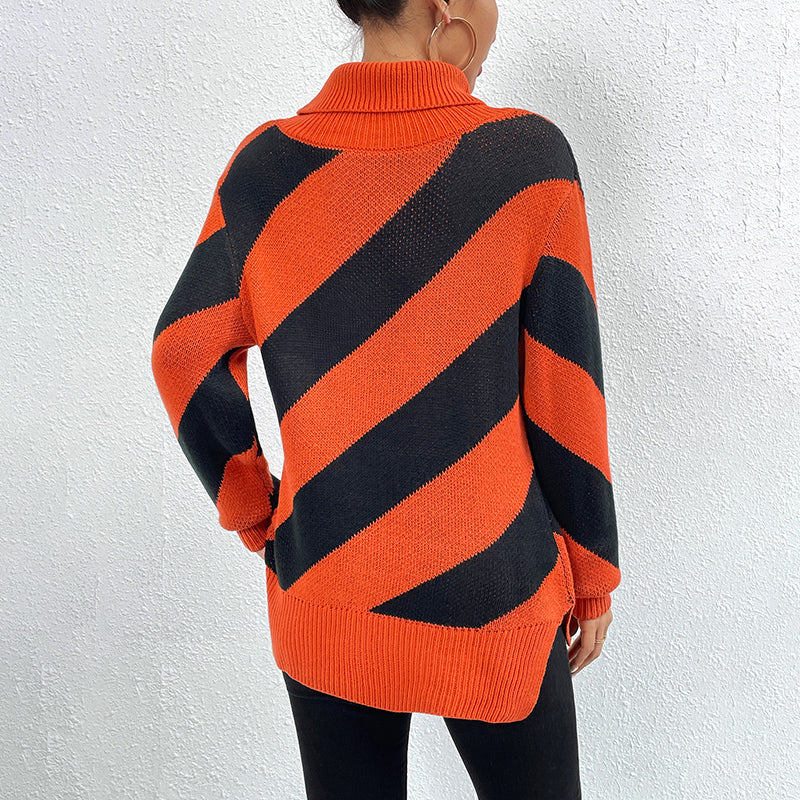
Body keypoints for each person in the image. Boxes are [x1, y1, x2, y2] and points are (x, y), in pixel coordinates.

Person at [150, 0, 621, 797]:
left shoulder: (263, 169)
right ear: (445, 8)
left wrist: (261, 514)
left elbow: (182, 352)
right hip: (494, 589)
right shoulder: (526, 159)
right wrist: (592, 571)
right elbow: (564, 388)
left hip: (326, 581)